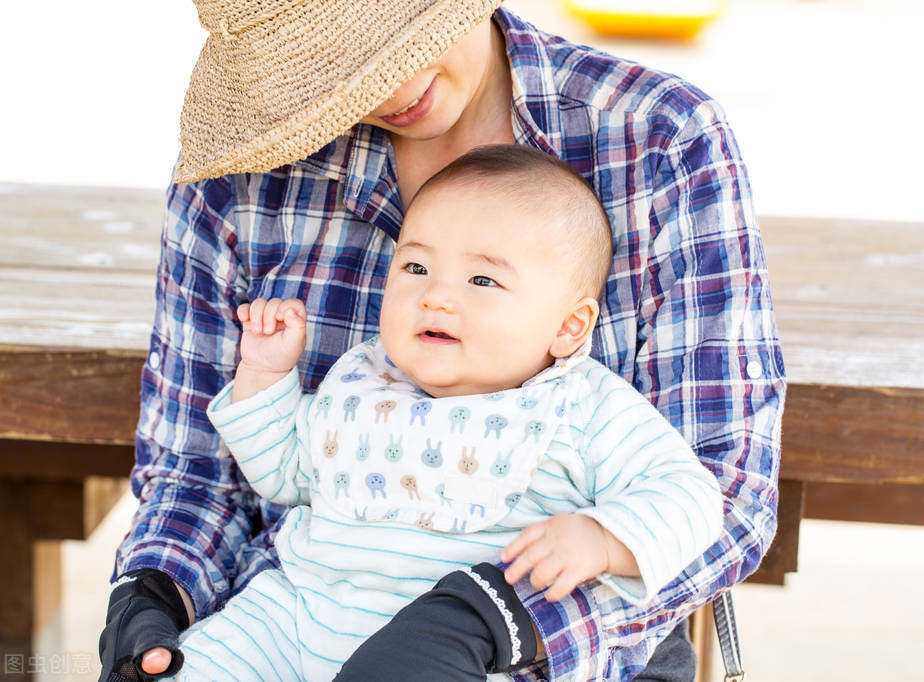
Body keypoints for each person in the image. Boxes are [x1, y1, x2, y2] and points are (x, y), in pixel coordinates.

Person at [99, 1, 785, 680]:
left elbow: (720, 497)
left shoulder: (660, 137)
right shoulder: (358, 367)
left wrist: (495, 620)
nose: (387, 90)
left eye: (397, 44)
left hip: (545, 649)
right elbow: (205, 472)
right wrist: (154, 590)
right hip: (298, 613)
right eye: (329, 70)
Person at [167, 144, 724, 681]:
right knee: (200, 662)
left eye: (482, 280)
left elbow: (691, 495)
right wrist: (265, 376)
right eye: (415, 268)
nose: (435, 296)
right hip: (294, 619)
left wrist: (604, 538)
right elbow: (283, 472)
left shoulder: (581, 406)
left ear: (567, 327)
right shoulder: (366, 379)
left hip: (452, 652)